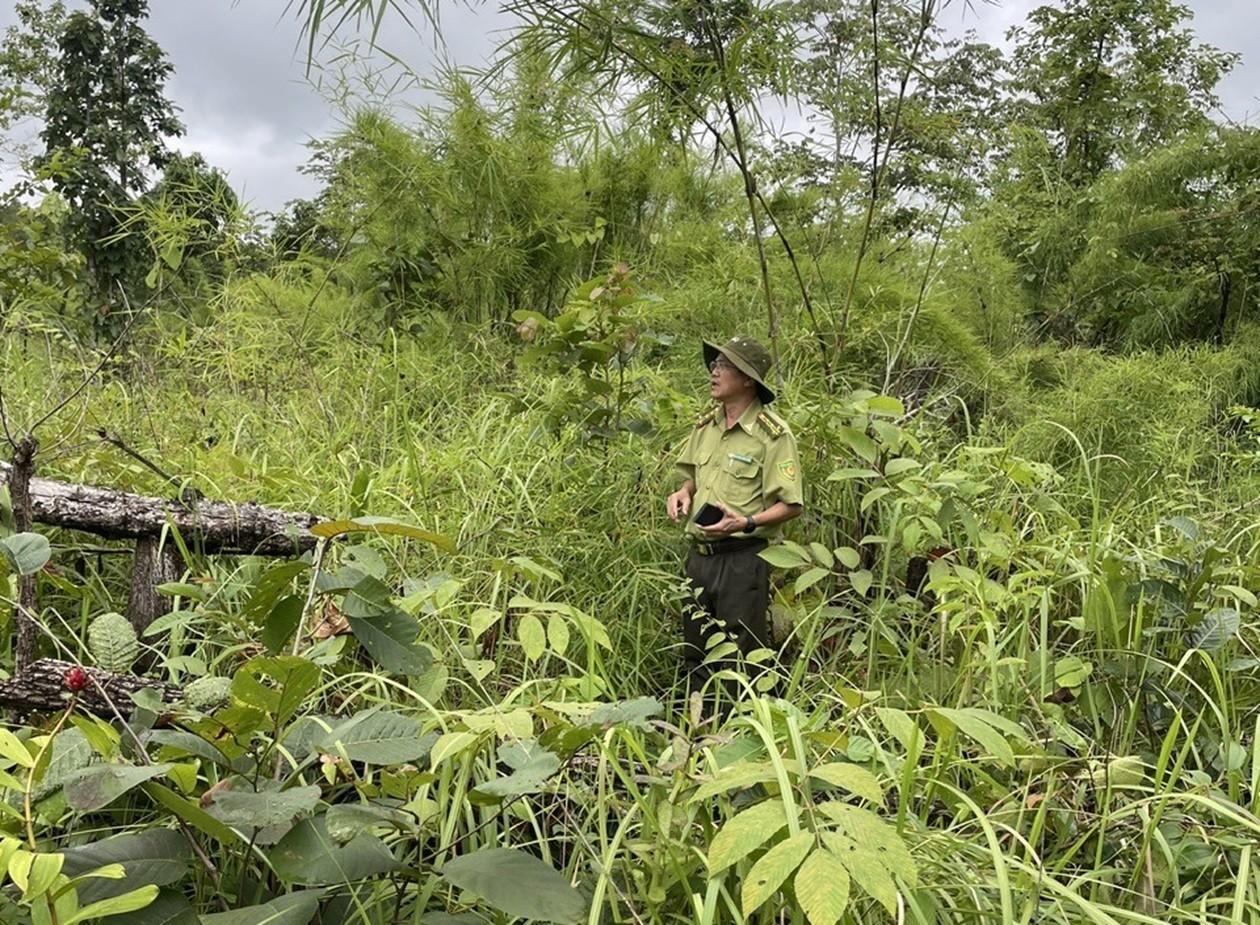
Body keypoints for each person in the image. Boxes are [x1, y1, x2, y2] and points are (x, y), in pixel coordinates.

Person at [666, 335, 803, 682]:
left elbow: (791, 505)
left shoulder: (772, 435)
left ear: (747, 379)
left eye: (724, 366)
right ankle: (695, 731)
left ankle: (737, 732)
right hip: (698, 557)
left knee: (740, 658)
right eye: (714, 365)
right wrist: (682, 493)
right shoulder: (706, 426)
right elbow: (691, 479)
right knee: (695, 653)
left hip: (742, 560)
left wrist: (744, 522)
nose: (714, 372)